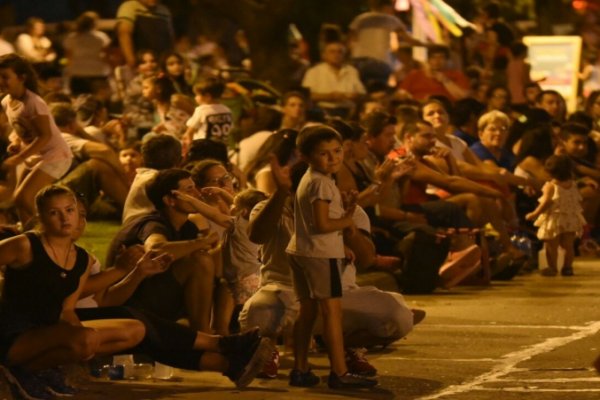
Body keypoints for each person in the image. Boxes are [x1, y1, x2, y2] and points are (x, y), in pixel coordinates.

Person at [0, 185, 145, 399]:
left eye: (69, 210)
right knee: (85, 339)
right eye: (54, 212)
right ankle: (23, 371)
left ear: (79, 214)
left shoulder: (82, 259)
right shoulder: (25, 245)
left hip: (49, 329)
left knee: (133, 330)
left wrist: (82, 340)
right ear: (41, 217)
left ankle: (39, 368)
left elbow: (67, 310)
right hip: (14, 334)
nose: (64, 218)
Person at [285, 125, 378, 389]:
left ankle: (300, 368)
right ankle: (339, 371)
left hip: (301, 250)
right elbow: (322, 224)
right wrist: (348, 220)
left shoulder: (311, 178)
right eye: (324, 154)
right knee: (331, 314)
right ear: (305, 156)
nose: (333, 158)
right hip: (320, 254)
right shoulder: (322, 183)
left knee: (308, 312)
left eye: (337, 151)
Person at [107, 168, 226, 332]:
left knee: (220, 256)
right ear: (170, 200)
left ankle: (220, 328)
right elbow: (156, 249)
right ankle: (203, 333)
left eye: (195, 187)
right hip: (130, 302)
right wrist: (202, 241)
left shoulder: (187, 226)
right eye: (188, 190)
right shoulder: (153, 223)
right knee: (200, 261)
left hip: (157, 294)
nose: (197, 194)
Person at [0, 54, 73, 225]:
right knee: (19, 201)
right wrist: (17, 143)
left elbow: (45, 135)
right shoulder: (7, 101)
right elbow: (21, 129)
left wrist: (20, 158)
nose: (1, 81)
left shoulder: (34, 103)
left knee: (24, 198)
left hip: (56, 156)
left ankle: (55, 229)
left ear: (21, 78)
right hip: (36, 155)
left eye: (5, 77)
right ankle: (30, 238)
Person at [526, 155, 585, 276]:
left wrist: (534, 213)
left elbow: (546, 202)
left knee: (551, 245)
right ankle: (568, 267)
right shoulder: (573, 184)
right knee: (568, 246)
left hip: (555, 219)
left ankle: (552, 267)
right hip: (570, 218)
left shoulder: (551, 186)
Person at [301, 41, 366, 117]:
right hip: (322, 112)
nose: (336, 55)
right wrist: (330, 96)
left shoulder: (352, 71)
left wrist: (355, 96)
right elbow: (306, 95)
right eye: (332, 52)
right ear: (324, 55)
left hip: (349, 113)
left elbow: (363, 94)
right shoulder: (314, 72)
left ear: (344, 55)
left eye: (340, 52)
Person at [63, 11, 112, 96]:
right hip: (97, 73)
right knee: (99, 101)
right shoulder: (101, 37)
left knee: (79, 100)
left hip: (78, 74)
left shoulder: (72, 38)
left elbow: (69, 57)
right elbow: (106, 56)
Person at [116, 0, 175, 69]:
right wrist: (131, 60)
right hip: (141, 63)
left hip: (160, 62)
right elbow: (124, 33)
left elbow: (171, 37)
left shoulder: (164, 10)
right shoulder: (129, 6)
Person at [400, 45, 469, 102]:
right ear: (428, 60)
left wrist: (446, 81)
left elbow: (464, 97)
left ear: (447, 60)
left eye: (441, 57)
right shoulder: (414, 75)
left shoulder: (456, 75)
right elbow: (400, 94)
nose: (437, 61)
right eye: (433, 57)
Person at [183, 77, 233, 150]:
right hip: (221, 148)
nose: (195, 98)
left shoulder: (202, 110)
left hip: (203, 148)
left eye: (197, 95)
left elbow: (190, 132)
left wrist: (189, 147)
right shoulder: (227, 110)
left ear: (207, 96)